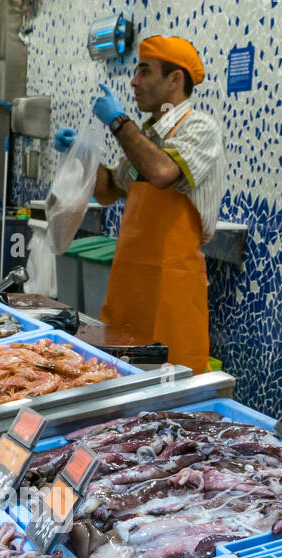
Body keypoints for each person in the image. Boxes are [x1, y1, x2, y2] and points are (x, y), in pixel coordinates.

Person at [53, 36, 223, 370]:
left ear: (174, 80)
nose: (134, 81)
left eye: (144, 71)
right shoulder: (146, 136)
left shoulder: (200, 128)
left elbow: (161, 172)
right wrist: (83, 155)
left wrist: (118, 122)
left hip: (173, 288)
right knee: (119, 377)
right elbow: (109, 190)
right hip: (130, 286)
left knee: (170, 388)